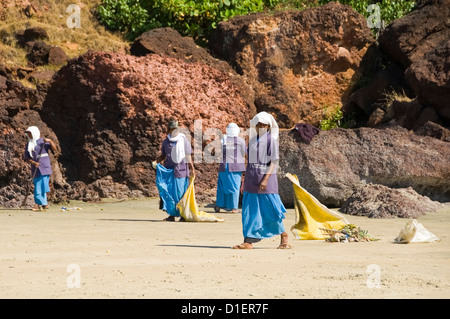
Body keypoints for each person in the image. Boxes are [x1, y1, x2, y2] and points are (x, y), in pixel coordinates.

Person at [233, 112, 291, 249]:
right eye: (259, 125)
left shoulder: (271, 140)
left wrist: (265, 180)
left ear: (269, 126)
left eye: (264, 125)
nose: (262, 127)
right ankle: (248, 240)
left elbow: (273, 163)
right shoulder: (252, 140)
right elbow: (249, 162)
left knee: (270, 209)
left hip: (266, 182)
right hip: (251, 180)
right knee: (249, 210)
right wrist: (244, 180)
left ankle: (283, 234)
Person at [154, 120, 195, 222]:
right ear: (169, 130)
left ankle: (182, 215)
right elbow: (163, 155)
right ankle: (171, 215)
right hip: (169, 171)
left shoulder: (183, 140)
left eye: (175, 129)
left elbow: (188, 155)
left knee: (180, 194)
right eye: (172, 129)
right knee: (170, 194)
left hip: (181, 171)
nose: (174, 131)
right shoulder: (166, 142)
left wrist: (192, 168)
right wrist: (156, 161)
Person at [23, 126, 57, 211]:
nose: (29, 135)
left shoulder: (43, 141)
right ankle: (38, 203)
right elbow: (26, 158)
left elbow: (54, 148)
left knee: (43, 186)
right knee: (38, 186)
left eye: (30, 133)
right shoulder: (29, 144)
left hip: (45, 167)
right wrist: (34, 163)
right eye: (28, 134)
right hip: (36, 169)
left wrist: (50, 141)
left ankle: (44, 204)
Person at [215, 123, 246, 213]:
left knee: (221, 186)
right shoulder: (240, 141)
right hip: (235, 166)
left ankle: (218, 206)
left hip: (224, 166)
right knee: (235, 187)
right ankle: (234, 208)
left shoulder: (223, 140)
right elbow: (244, 152)